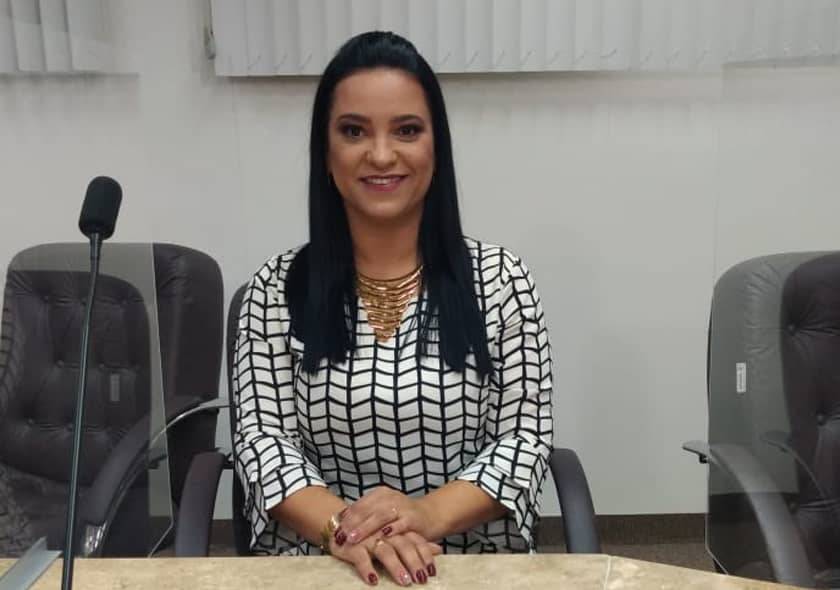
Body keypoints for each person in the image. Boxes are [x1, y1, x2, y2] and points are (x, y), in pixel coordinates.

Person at [232, 31, 553, 587]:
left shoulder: (503, 281)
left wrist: (425, 515)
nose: (381, 155)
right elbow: (264, 443)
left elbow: (523, 440)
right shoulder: (274, 288)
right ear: (326, 154)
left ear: (436, 148)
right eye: (354, 131)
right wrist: (350, 532)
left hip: (463, 562)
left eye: (406, 130)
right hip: (322, 561)